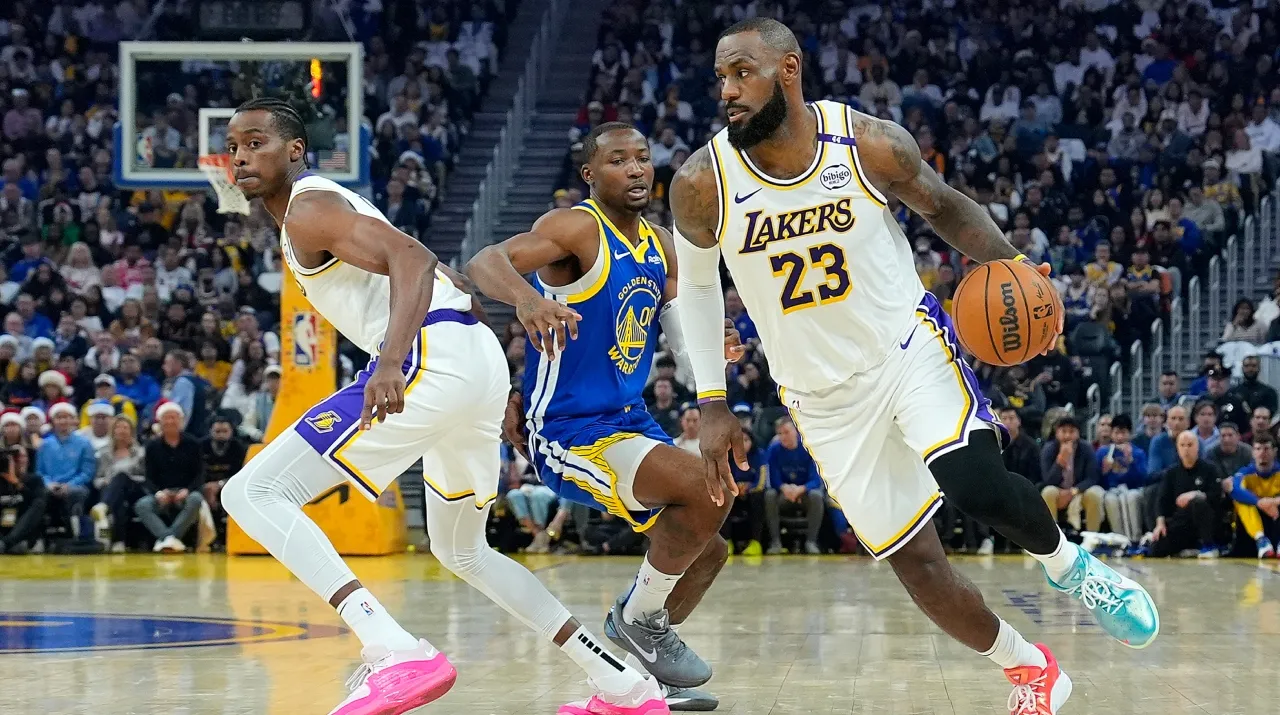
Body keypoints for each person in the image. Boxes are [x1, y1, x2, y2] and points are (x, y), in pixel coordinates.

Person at [667, 19, 1157, 711]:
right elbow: (693, 286)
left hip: (905, 347)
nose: (727, 90)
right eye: (721, 77)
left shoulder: (867, 143)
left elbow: (947, 207)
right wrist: (711, 400)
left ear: (788, 69)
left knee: (975, 484)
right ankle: (1031, 668)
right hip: (822, 399)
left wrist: (1018, 270)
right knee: (920, 568)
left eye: (741, 72)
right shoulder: (700, 182)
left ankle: (1073, 569)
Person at [216, 99, 668, 715]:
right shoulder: (315, 209)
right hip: (464, 355)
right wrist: (483, 384)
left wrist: (391, 361)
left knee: (251, 494)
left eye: (257, 143)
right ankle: (623, 685)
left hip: (429, 356)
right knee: (463, 551)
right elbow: (451, 280)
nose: (242, 156)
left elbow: (413, 258)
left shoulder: (309, 210)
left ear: (295, 151)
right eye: (235, 145)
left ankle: (391, 649)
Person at [466, 120, 748, 712]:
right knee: (706, 491)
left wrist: (709, 346)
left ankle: (641, 674)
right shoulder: (573, 229)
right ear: (591, 174)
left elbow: (672, 325)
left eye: (643, 157)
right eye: (620, 160)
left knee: (710, 544)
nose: (638, 169)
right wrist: (528, 299)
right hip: (568, 430)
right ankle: (635, 624)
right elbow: (484, 260)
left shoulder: (661, 244)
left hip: (628, 420)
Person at [139, 403, 206, 553]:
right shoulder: (152, 446)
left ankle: (167, 539)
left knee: (196, 499)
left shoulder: (193, 444)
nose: (170, 421)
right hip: (162, 493)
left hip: (185, 492)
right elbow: (148, 477)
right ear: (160, 422)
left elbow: (200, 474)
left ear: (181, 421)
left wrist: (187, 490)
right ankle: (169, 538)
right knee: (142, 505)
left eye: (174, 418)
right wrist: (158, 493)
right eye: (166, 418)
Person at [1150, 431, 1224, 558]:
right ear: (1177, 448)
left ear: (1197, 447)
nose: (1186, 449)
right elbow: (1162, 500)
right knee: (1156, 549)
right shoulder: (1171, 473)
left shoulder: (1210, 469)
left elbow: (1217, 495)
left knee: (1198, 502)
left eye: (1190, 445)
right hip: (1181, 520)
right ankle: (1188, 548)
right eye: (1182, 445)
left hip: (1207, 520)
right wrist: (1160, 524)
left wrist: (1196, 494)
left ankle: (1208, 546)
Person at [763, 417, 824, 554]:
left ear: (796, 431)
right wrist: (785, 488)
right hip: (784, 494)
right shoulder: (774, 450)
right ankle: (775, 542)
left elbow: (816, 479)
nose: (783, 436)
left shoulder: (809, 448)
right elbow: (773, 479)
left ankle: (811, 542)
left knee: (817, 495)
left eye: (786, 432)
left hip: (804, 493)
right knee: (769, 495)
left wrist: (801, 489)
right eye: (779, 434)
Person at [37, 402, 96, 539]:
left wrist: (69, 485)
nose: (63, 421)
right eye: (59, 417)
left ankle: (75, 536)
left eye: (67, 417)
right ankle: (38, 538)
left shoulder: (84, 443)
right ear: (53, 421)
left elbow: (87, 472)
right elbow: (40, 472)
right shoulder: (45, 445)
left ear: (74, 420)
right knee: (38, 495)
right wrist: (49, 484)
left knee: (76, 494)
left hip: (76, 486)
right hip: (51, 485)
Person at [91, 415, 147, 553]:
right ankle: (118, 541)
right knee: (118, 498)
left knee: (121, 477)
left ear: (131, 431)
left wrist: (126, 478)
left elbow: (145, 477)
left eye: (125, 428)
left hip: (135, 488)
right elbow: (97, 479)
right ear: (113, 431)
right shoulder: (103, 453)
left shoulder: (140, 453)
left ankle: (102, 508)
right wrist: (105, 482)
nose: (122, 430)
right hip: (112, 490)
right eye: (118, 427)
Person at [1096, 415, 1148, 542]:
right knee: (1110, 500)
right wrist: (1103, 471)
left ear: (1130, 434)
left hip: (1133, 489)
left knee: (1130, 498)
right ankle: (1120, 539)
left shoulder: (1138, 453)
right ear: (1111, 434)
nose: (1120, 437)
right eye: (1116, 433)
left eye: (1123, 433)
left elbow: (1143, 479)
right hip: (1111, 490)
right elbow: (1096, 479)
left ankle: (1135, 538)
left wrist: (1131, 462)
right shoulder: (1103, 452)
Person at [1230, 432, 1280, 559]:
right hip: (1254, 519)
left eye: (1266, 448)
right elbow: (1234, 490)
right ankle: (1261, 541)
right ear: (1253, 452)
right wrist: (1259, 502)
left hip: (1275, 515)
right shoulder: (1245, 472)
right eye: (1258, 449)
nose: (1262, 452)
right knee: (1240, 501)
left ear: (1274, 451)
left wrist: (1273, 502)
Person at [0, 446, 45, 554]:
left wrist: (16, 483)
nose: (20, 460)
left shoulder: (35, 480)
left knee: (39, 502)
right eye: (15, 457)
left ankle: (6, 543)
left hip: (22, 533)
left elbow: (37, 505)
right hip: (3, 529)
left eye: (23, 456)